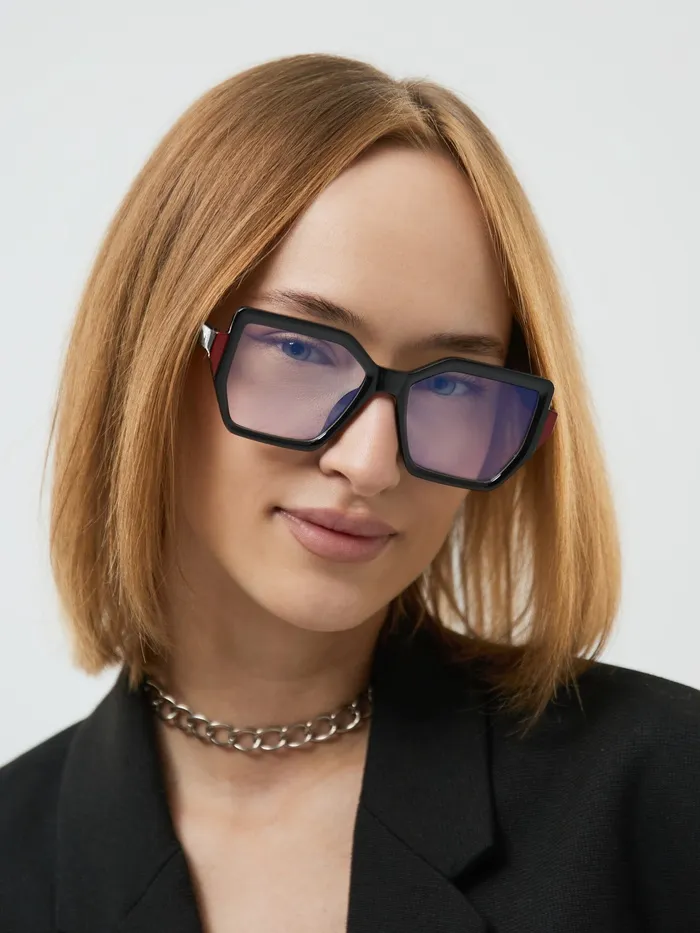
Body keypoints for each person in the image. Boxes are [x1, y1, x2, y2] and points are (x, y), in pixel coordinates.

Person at [0, 52, 697, 933]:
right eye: (301, 348)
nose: (371, 464)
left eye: (452, 383)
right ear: (153, 357)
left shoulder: (661, 787)